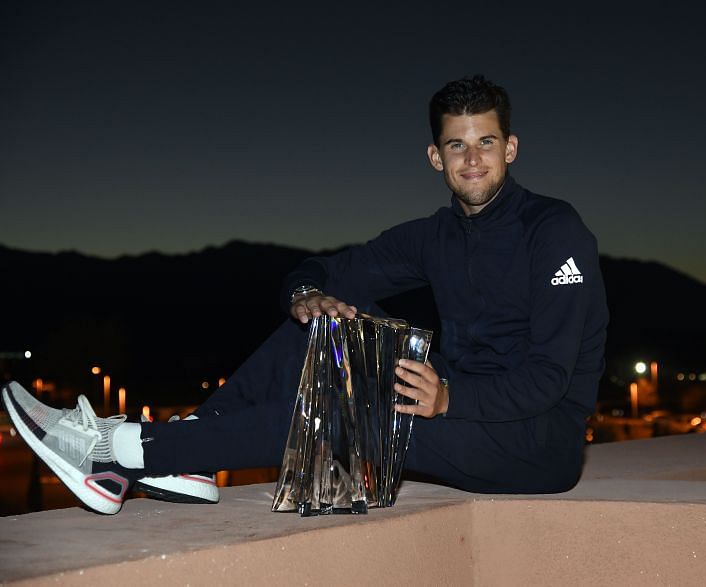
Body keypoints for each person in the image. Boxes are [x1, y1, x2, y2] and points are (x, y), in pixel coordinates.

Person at [2, 75, 608, 515]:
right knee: (319, 326)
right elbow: (332, 268)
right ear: (435, 156)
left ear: (510, 148)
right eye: (457, 145)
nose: (472, 159)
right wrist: (307, 294)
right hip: (455, 399)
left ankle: (119, 449)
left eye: (485, 142)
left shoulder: (553, 232)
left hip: (535, 439)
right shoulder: (436, 236)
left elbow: (550, 378)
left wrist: (450, 396)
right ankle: (190, 448)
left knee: (340, 413)